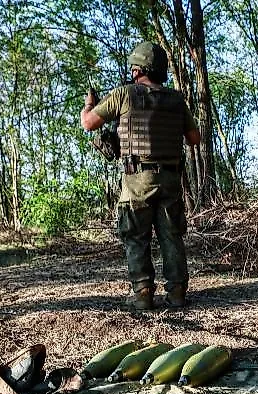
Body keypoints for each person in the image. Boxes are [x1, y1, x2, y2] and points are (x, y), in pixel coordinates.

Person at [81, 41, 201, 310]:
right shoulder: (176, 99)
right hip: (170, 180)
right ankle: (177, 293)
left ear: (137, 69)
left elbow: (89, 124)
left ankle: (143, 293)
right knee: (172, 236)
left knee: (136, 236)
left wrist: (88, 105)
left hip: (137, 180)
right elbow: (194, 138)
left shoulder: (124, 94)